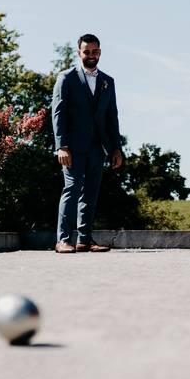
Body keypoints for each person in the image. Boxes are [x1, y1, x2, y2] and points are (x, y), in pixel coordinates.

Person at [51, 33, 123, 253]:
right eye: (87, 52)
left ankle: (85, 239)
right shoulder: (66, 78)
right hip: (72, 147)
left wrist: (116, 148)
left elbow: (112, 117)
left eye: (95, 51)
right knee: (72, 189)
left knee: (91, 193)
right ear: (79, 53)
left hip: (97, 147)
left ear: (99, 52)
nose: (91, 55)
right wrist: (61, 146)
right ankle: (63, 239)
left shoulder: (107, 82)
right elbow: (58, 113)